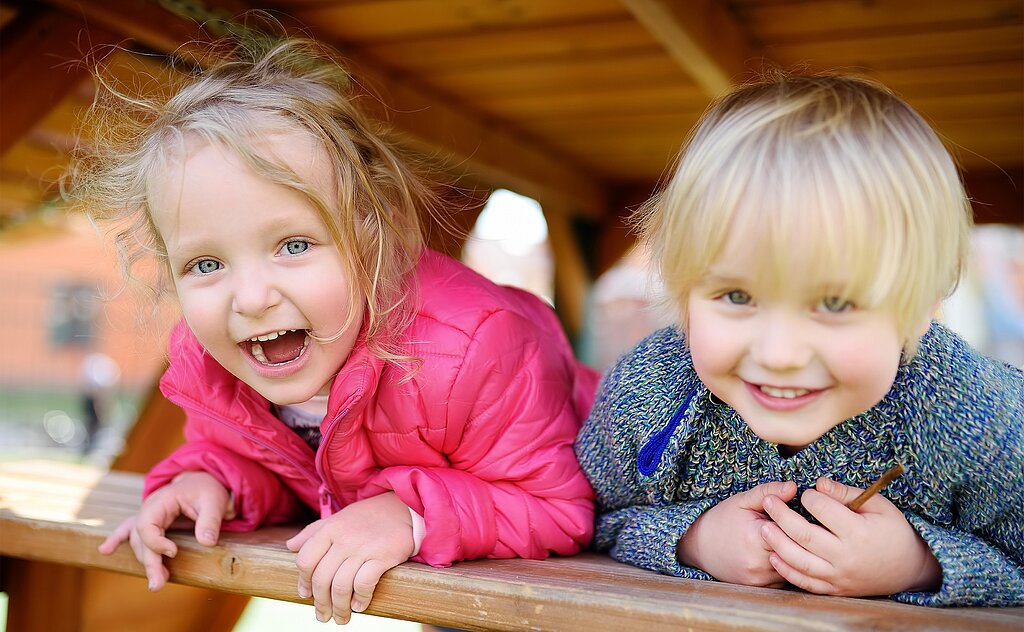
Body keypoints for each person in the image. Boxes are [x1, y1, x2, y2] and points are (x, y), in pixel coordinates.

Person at [66, 34, 599, 625]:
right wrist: (208, 481)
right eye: (207, 264)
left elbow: (560, 508)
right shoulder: (212, 362)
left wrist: (406, 515)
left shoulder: (473, 347)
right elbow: (282, 468)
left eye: (293, 246)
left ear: (371, 239)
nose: (251, 298)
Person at [574, 74, 1024, 607]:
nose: (779, 355)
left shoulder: (974, 414)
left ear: (923, 305)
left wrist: (921, 563)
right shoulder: (646, 395)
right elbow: (591, 519)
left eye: (834, 304)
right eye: (737, 296)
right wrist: (691, 540)